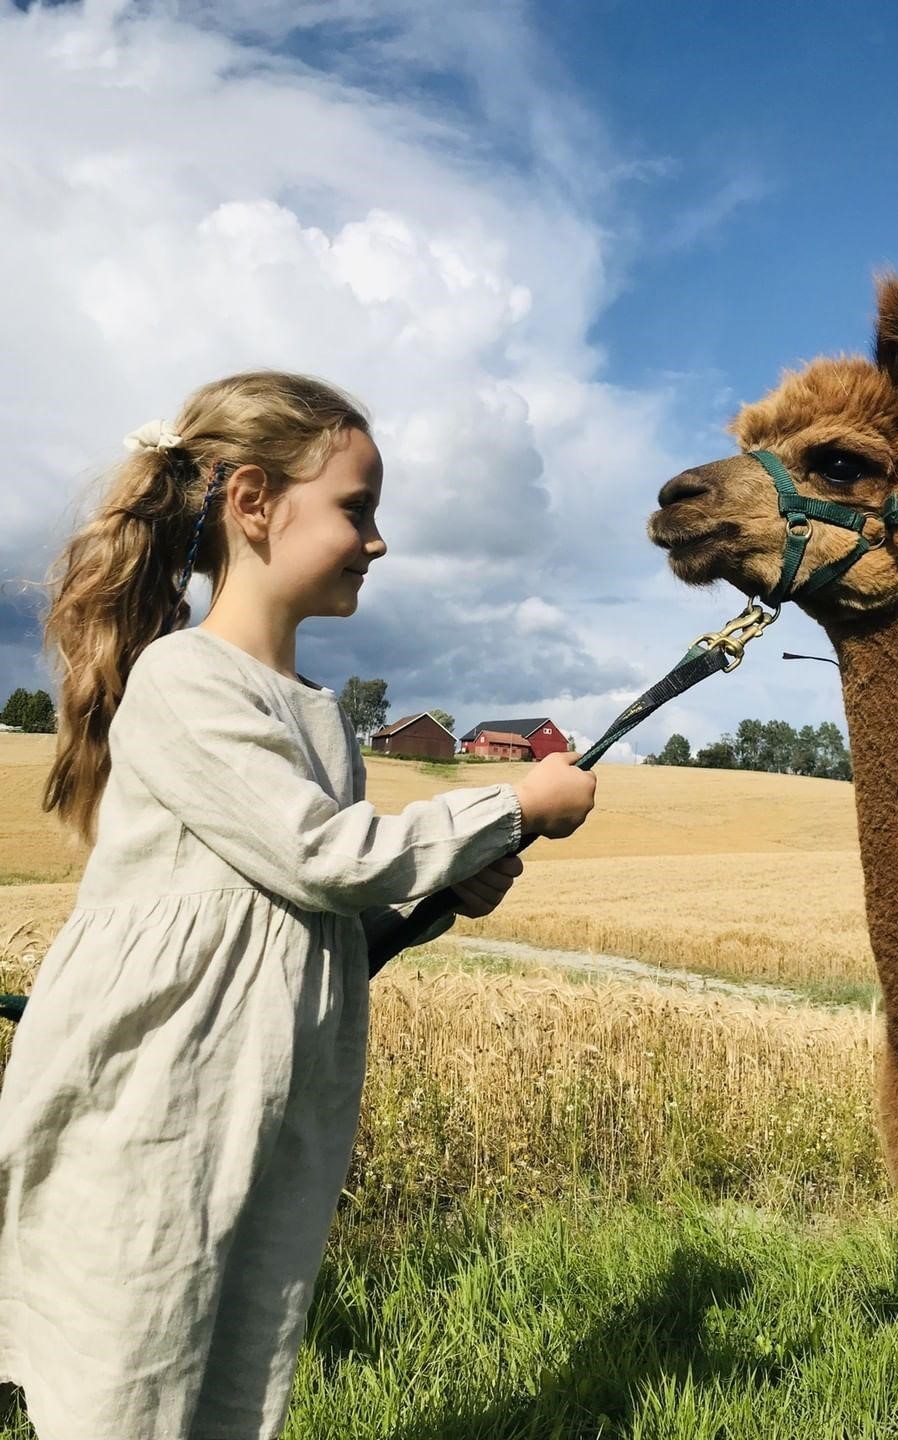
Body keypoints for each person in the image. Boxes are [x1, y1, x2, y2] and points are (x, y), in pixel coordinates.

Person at [0, 372, 596, 1440]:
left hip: (267, 1099)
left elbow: (317, 919)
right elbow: (322, 855)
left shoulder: (319, 716)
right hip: (158, 1094)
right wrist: (513, 801)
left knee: (233, 1356)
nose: (377, 541)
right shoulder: (184, 679)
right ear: (254, 503)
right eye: (357, 509)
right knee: (132, 1367)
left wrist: (441, 893)